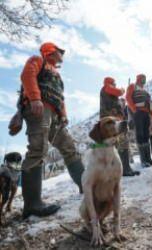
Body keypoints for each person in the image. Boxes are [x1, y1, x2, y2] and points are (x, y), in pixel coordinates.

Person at [20, 42, 84, 219]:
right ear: (50, 52)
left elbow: (60, 98)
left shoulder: (56, 73)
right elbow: (27, 75)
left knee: (69, 147)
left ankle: (85, 184)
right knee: (38, 149)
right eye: (59, 52)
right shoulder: (37, 60)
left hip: (54, 115)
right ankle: (32, 204)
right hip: (39, 109)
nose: (61, 55)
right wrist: (34, 98)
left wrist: (63, 115)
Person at [100, 77, 140, 176]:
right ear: (110, 82)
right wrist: (122, 90)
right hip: (111, 121)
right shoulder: (106, 87)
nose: (115, 84)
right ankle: (125, 169)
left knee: (120, 143)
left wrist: (121, 104)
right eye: (114, 83)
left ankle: (124, 169)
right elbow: (118, 92)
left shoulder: (109, 93)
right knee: (122, 142)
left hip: (114, 121)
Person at [126, 74, 152, 168]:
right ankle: (143, 160)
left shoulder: (145, 91)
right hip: (138, 112)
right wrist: (134, 109)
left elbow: (149, 105)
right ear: (138, 79)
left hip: (146, 114)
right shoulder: (132, 86)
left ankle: (148, 159)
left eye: (145, 79)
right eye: (142, 78)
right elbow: (128, 98)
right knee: (140, 134)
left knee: (146, 135)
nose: (144, 80)